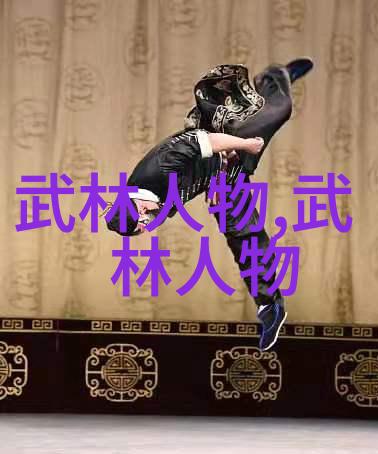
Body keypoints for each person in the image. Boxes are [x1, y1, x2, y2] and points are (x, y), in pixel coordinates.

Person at [106, 58, 313, 350]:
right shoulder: (152, 206)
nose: (148, 225)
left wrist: (245, 146)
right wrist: (216, 179)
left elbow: (202, 140)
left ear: (137, 209)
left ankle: (274, 76)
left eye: (142, 224)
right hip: (220, 175)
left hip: (227, 140)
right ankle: (269, 305)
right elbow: (188, 181)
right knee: (241, 233)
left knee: (280, 110)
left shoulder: (156, 168)